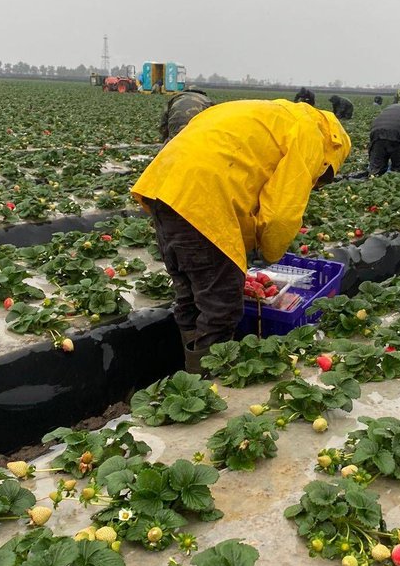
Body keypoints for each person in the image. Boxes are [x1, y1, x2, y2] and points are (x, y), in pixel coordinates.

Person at [132, 100, 351, 373]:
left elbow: (246, 180)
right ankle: (206, 382)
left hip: (163, 186)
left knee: (191, 292)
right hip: (203, 196)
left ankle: (189, 376)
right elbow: (280, 214)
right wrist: (268, 253)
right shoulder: (311, 137)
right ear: (332, 157)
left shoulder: (276, 115)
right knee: (221, 306)